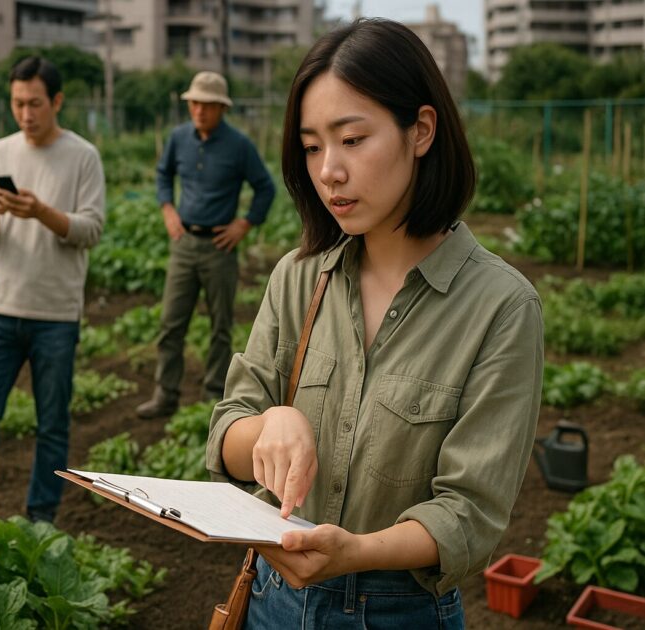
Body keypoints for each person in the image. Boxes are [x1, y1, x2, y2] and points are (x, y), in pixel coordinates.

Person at [205, 19, 543, 628]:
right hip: (270, 601)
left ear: (421, 131)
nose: (329, 170)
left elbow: (469, 511)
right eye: (312, 147)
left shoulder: (501, 307)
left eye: (353, 139)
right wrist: (269, 424)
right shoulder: (298, 278)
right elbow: (226, 436)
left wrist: (356, 553)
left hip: (399, 610)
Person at [0, 55, 105, 530]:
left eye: (34, 103)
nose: (25, 114)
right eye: (17, 103)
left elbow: (91, 228)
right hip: (2, 308)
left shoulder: (83, 156)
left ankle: (41, 518)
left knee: (52, 424)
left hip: (56, 314)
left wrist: (41, 212)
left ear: (56, 101)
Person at [136, 71, 276, 420]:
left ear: (222, 108)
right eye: (195, 103)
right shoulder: (178, 138)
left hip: (219, 248)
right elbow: (163, 174)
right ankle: (165, 394)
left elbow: (265, 187)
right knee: (171, 323)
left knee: (220, 326)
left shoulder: (239, 145)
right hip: (184, 244)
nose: (199, 110)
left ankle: (214, 395)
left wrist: (244, 224)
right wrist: (168, 209)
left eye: (208, 105)